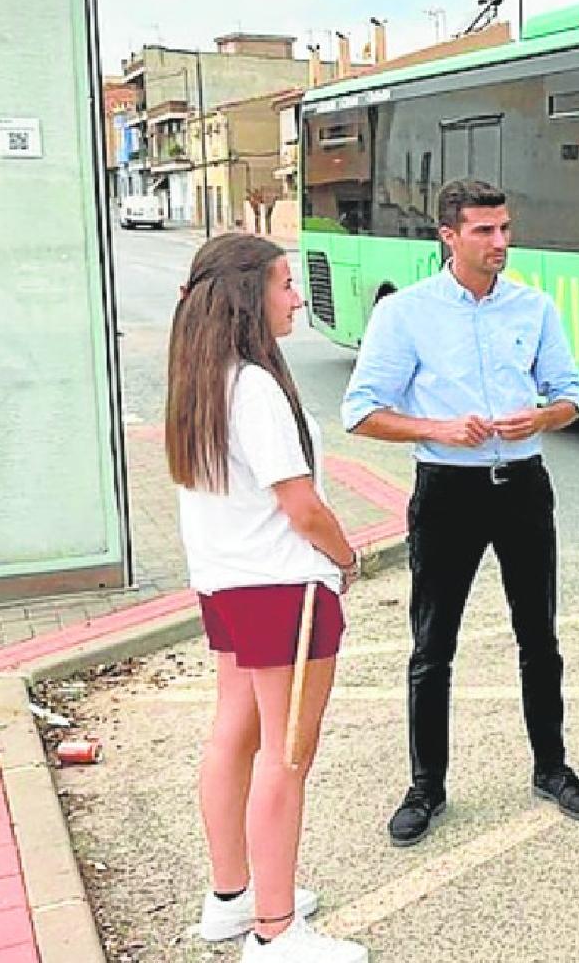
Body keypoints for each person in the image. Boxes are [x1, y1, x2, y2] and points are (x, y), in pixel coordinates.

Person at [340, 178, 579, 847]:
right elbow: (362, 412)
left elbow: (570, 397)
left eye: (506, 228)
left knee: (539, 638)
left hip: (522, 484)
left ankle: (552, 767)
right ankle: (427, 786)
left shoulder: (533, 308)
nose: (500, 243)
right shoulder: (406, 314)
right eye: (485, 231)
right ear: (448, 237)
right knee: (433, 646)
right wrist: (440, 428)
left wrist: (541, 416)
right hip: (447, 490)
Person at [167, 233, 366, 962]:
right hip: (282, 585)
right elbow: (301, 504)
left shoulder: (200, 376)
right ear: (250, 295)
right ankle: (276, 931)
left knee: (234, 736)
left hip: (225, 581)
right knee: (286, 756)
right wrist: (347, 557)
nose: (295, 297)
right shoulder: (253, 385)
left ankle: (231, 898)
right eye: (284, 284)